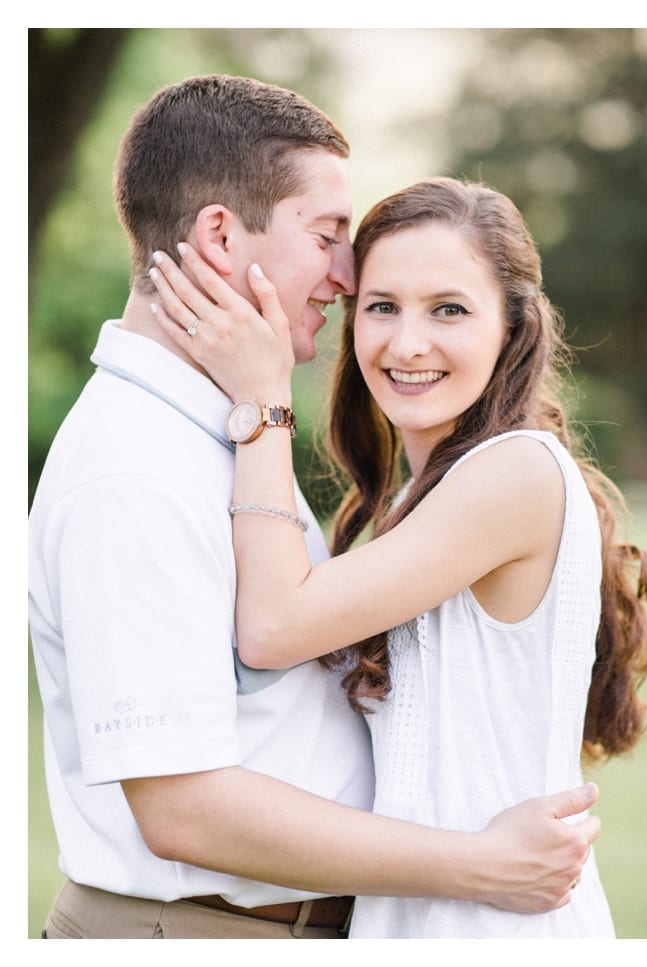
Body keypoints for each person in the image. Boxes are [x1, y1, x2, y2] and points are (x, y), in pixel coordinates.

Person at [28, 75, 598, 940]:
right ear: (220, 235)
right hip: (201, 931)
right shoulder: (136, 469)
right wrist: (472, 859)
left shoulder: (227, 427)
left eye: (447, 307)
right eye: (329, 237)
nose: (344, 273)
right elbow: (182, 805)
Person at [147, 175, 647, 937]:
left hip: (492, 927)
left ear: (513, 326)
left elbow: (273, 626)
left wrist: (262, 401)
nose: (407, 342)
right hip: (428, 913)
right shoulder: (424, 498)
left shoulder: (513, 474)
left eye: (448, 308)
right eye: (382, 306)